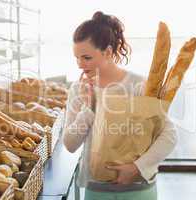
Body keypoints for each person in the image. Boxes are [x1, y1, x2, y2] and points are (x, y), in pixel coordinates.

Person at [63, 11, 177, 200]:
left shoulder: (139, 85)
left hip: (139, 189)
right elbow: (70, 144)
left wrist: (137, 168)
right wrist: (89, 109)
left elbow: (169, 135)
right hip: (96, 189)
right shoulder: (78, 89)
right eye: (77, 58)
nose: (80, 65)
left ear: (107, 52)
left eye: (86, 58)